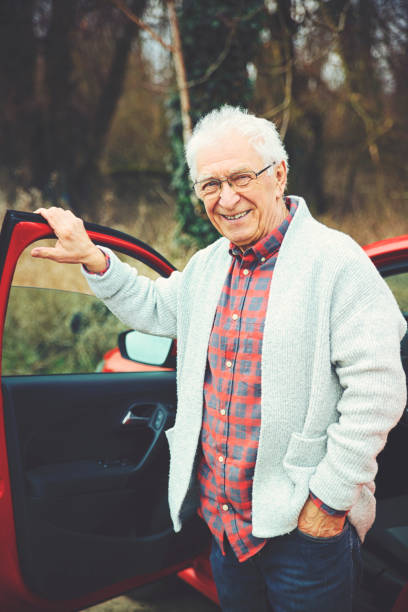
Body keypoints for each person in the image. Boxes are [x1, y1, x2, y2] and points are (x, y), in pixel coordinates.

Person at [32, 106, 407, 612]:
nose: (226, 199)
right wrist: (95, 259)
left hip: (305, 531)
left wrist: (327, 503)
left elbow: (377, 393)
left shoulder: (337, 264)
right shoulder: (209, 266)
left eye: (241, 178)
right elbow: (154, 307)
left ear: (279, 175)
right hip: (225, 527)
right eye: (210, 185)